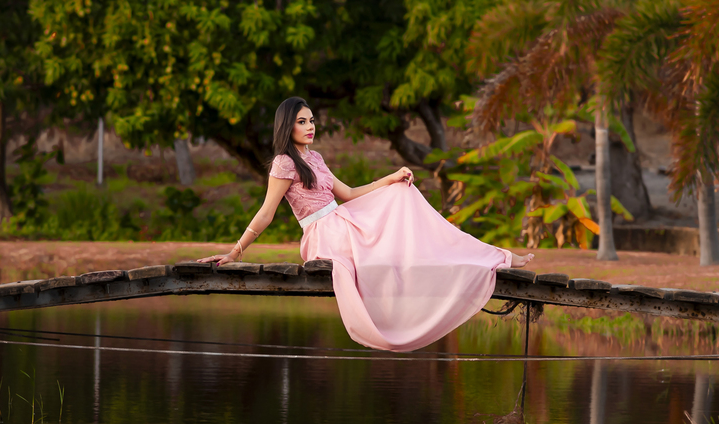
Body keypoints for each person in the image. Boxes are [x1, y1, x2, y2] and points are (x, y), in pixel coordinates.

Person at [198, 96, 535, 352]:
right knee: (396, 251)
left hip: (343, 221)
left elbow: (348, 193)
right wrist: (235, 251)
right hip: (322, 236)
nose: (311, 126)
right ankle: (488, 260)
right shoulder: (284, 163)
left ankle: (491, 257)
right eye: (303, 122)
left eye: (312, 120)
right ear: (288, 126)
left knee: (404, 201)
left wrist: (390, 178)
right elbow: (266, 212)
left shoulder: (315, 158)